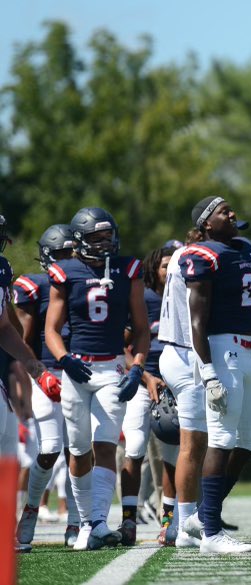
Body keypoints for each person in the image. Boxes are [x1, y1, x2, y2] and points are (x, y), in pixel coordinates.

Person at [160, 228, 251, 549]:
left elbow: (239, 312)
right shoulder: (194, 258)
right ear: (200, 230)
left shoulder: (217, 260)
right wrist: (210, 370)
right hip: (192, 353)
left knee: (233, 440)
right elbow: (203, 319)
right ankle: (186, 526)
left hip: (211, 351)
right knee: (198, 443)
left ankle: (195, 520)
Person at [45, 206, 149, 550]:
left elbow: (142, 330)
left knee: (105, 445)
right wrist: (63, 359)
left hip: (112, 368)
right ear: (79, 241)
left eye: (108, 235)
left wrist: (136, 367)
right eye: (96, 237)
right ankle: (86, 521)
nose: (105, 243)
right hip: (78, 368)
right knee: (77, 451)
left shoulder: (127, 269)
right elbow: (52, 330)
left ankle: (100, 523)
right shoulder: (65, 271)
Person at [180, 196, 251, 554]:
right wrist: (208, 373)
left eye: (231, 208)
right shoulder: (202, 255)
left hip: (247, 349)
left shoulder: (245, 249)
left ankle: (203, 516)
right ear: (205, 223)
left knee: (249, 439)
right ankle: (212, 534)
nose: (231, 214)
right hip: (221, 349)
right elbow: (196, 319)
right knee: (222, 437)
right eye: (222, 211)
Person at [13, 224, 83, 549]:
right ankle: (30, 511)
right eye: (60, 254)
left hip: (80, 373)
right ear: (47, 256)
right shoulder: (34, 285)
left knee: (78, 451)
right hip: (44, 372)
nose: (66, 259)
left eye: (71, 253)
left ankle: (75, 523)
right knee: (50, 448)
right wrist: (35, 375)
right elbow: (23, 339)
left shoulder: (86, 280)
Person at [119, 245, 179, 546]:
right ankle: (128, 519)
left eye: (175, 265)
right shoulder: (144, 298)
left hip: (175, 385)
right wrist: (144, 375)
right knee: (135, 447)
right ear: (154, 267)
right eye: (166, 265)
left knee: (172, 456)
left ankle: (167, 522)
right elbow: (122, 347)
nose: (170, 270)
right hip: (144, 382)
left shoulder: (186, 297)